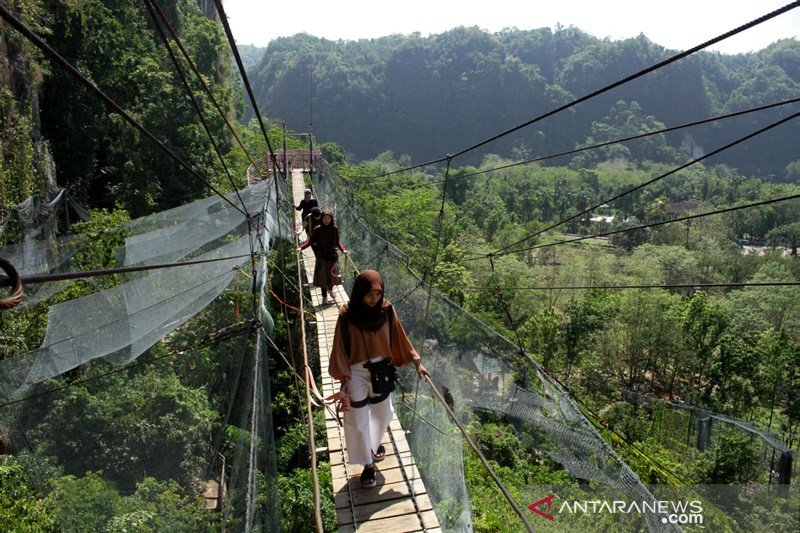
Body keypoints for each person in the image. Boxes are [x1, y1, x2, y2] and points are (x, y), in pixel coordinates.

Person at [328, 270, 429, 488]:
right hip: (356, 372)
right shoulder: (347, 315)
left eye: (377, 294)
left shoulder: (386, 310)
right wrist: (344, 377)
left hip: (382, 369)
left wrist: (416, 362)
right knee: (359, 418)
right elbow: (340, 346)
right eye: (369, 295)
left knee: (385, 414)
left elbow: (399, 335)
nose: (373, 300)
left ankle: (372, 445)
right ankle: (368, 465)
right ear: (360, 293)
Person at [296, 210, 347, 305]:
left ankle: (330, 290)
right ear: (321, 219)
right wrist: (301, 248)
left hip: (332, 256)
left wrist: (343, 250)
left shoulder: (335, 229)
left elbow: (337, 242)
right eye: (324, 218)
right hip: (322, 256)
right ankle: (324, 297)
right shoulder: (317, 229)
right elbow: (310, 242)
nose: (326, 220)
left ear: (331, 219)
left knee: (331, 277)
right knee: (323, 277)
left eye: (328, 218)